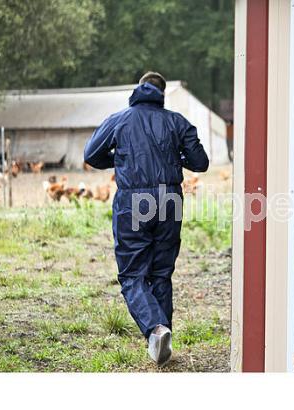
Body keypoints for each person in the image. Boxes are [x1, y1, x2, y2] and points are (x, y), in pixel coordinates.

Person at [84, 71, 209, 366]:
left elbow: (91, 154)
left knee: (132, 274)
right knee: (161, 273)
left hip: (134, 200)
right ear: (162, 93)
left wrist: (119, 159)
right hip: (170, 200)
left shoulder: (120, 119)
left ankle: (156, 329)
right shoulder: (178, 122)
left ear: (139, 88)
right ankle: (161, 343)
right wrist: (176, 158)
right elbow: (200, 162)